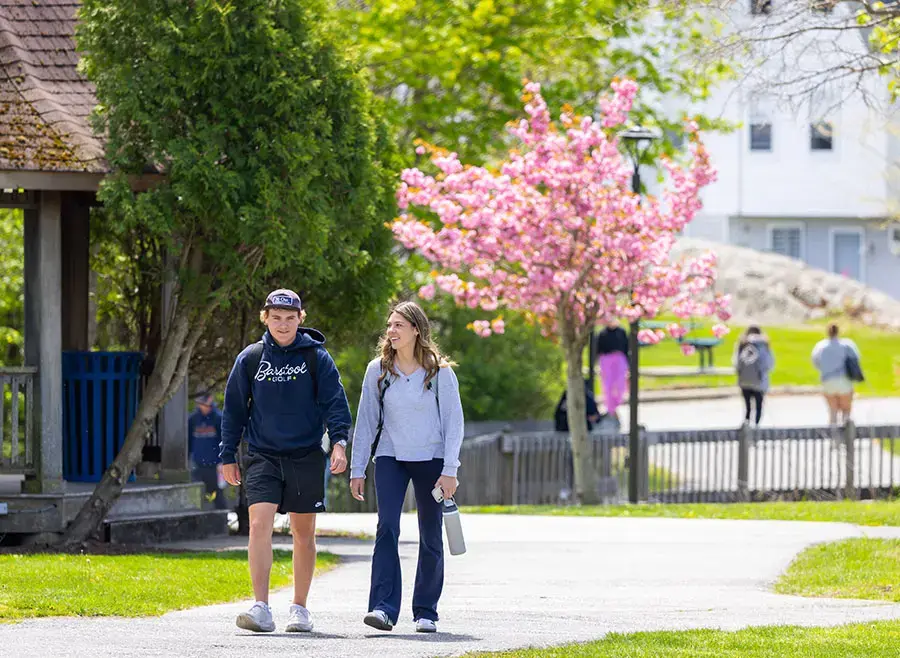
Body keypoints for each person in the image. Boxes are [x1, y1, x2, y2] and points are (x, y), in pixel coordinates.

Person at [220, 288, 351, 633]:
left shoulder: (316, 357)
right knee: (259, 523)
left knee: (302, 532)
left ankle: (299, 607)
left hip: (306, 454)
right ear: (265, 318)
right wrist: (227, 454)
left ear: (300, 319)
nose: (282, 324)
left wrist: (338, 442)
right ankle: (261, 607)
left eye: (290, 318)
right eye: (276, 318)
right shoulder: (251, 358)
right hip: (262, 454)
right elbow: (233, 410)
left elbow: (335, 402)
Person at [349, 301, 464, 634]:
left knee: (430, 534)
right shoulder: (378, 370)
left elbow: (454, 422)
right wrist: (358, 469)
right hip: (390, 456)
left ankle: (426, 611)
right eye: (389, 325)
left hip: (432, 460)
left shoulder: (440, 372)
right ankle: (383, 608)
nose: (392, 331)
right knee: (387, 527)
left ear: (416, 329)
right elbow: (367, 422)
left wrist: (450, 468)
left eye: (399, 324)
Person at [812, 323, 861, 426]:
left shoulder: (820, 346)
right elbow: (856, 360)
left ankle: (834, 438)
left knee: (833, 412)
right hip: (843, 380)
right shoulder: (847, 345)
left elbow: (816, 362)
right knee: (846, 410)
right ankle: (847, 435)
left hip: (828, 380)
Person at [188, 392, 226, 510]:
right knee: (195, 495)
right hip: (198, 463)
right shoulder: (193, 419)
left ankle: (222, 521)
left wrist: (222, 461)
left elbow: (224, 441)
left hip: (215, 464)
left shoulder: (218, 418)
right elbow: (189, 440)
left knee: (218, 495)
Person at [732, 326, 775, 426]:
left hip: (744, 380)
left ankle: (746, 425)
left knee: (747, 406)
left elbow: (736, 362)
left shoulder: (742, 344)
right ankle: (756, 425)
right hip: (759, 380)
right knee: (759, 405)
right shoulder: (763, 345)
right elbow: (769, 363)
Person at [594, 322, 629, 427]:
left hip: (619, 360)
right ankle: (611, 409)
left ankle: (614, 407)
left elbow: (626, 348)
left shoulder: (621, 332)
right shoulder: (602, 333)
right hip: (606, 361)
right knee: (607, 386)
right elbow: (598, 349)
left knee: (620, 385)